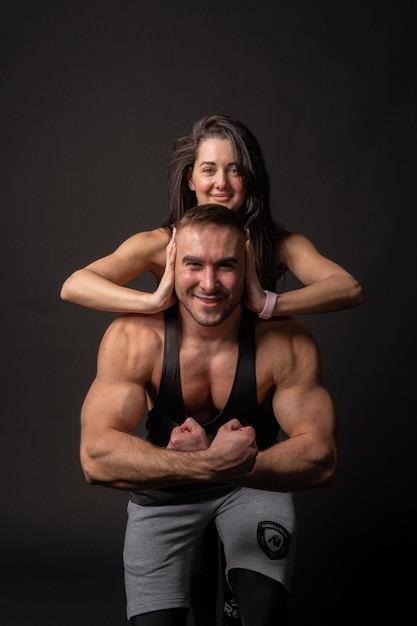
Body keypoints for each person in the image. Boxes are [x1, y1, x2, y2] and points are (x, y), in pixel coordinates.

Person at [62, 113, 362, 625]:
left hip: (249, 446)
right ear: (190, 179)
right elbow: (74, 285)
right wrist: (152, 298)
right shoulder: (159, 246)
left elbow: (348, 289)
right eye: (208, 169)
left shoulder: (276, 247)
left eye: (234, 170)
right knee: (190, 596)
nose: (220, 182)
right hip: (173, 453)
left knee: (252, 606)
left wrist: (265, 303)